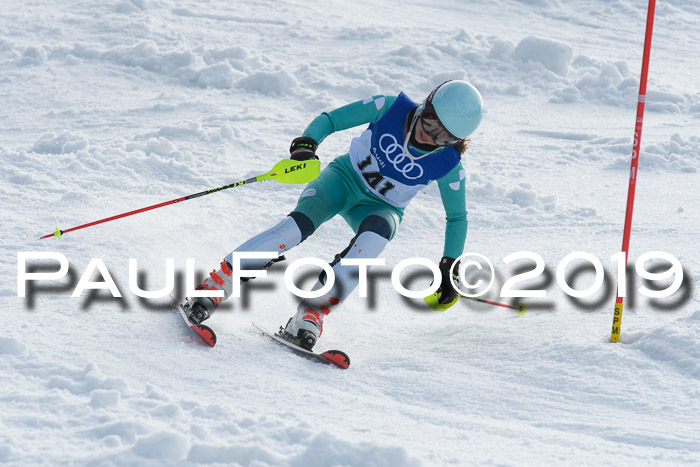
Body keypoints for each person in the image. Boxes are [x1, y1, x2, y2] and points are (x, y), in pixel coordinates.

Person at [182, 80, 484, 350]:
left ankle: (310, 314)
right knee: (293, 230)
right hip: (342, 180)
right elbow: (331, 119)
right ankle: (211, 289)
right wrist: (306, 144)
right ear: (426, 104)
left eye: (444, 138)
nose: (431, 136)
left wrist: (449, 266)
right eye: (431, 123)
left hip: (383, 208)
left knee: (371, 245)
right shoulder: (390, 107)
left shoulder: (449, 165)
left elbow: (457, 217)